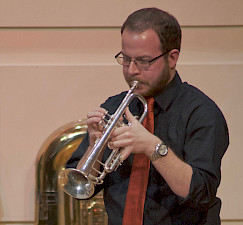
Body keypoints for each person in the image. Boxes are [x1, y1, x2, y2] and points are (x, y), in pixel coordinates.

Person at [67, 7, 229, 225]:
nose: (132, 70)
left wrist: (153, 148)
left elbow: (201, 193)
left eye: (144, 61)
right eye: (126, 59)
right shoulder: (115, 107)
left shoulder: (201, 113)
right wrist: (93, 149)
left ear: (172, 58)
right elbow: (83, 188)